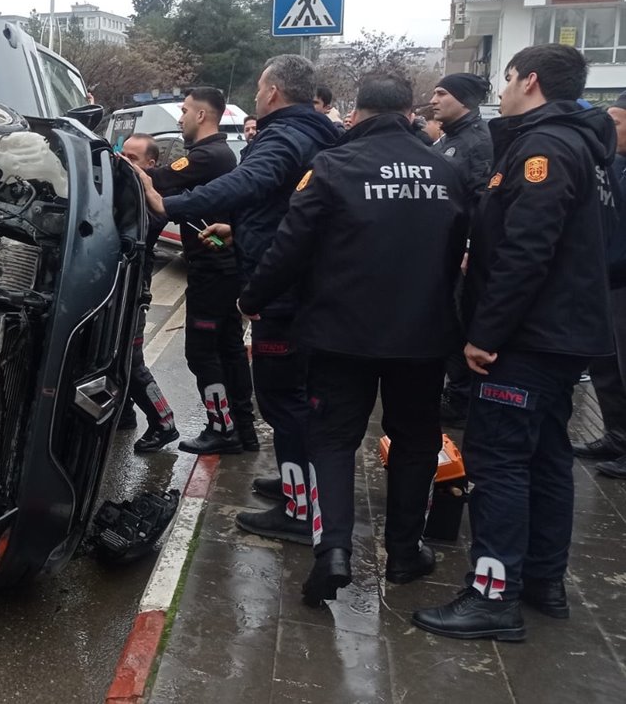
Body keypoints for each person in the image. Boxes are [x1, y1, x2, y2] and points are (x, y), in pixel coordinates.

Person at [238, 74, 467, 605]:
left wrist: (252, 299)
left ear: (357, 111)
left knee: (334, 441)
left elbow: (289, 247)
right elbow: (458, 254)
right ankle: (404, 553)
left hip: (341, 335)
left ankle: (333, 552)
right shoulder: (446, 170)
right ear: (410, 112)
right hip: (423, 336)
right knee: (415, 443)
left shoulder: (333, 168)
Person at [414, 45, 615, 641]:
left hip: (527, 339)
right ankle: (541, 583)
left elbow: (527, 252)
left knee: (498, 462)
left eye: (506, 79)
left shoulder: (544, 147)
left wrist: (485, 334)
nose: (500, 92)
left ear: (529, 81)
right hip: (564, 333)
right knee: (549, 456)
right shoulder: (588, 146)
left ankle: (491, 595)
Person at [135, 56, 338, 544]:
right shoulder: (315, 134)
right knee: (286, 397)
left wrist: (170, 204)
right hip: (298, 284)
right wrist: (239, 226)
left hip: (282, 290)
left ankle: (298, 509)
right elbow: (282, 204)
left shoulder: (285, 136)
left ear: (271, 92)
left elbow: (253, 182)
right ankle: (297, 486)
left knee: (284, 400)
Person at [141, 89, 257, 455]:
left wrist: (124, 167)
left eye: (185, 110)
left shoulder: (209, 155)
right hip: (220, 269)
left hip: (212, 270)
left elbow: (159, 180)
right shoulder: (216, 155)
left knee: (202, 353)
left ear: (203, 115)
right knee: (229, 349)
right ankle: (242, 430)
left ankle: (222, 428)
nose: (181, 118)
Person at [428, 73, 495, 426]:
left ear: (464, 100)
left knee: (459, 322)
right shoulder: (448, 139)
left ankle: (463, 398)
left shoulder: (477, 141)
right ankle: (456, 391)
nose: (433, 99)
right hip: (442, 249)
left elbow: (482, 200)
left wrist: (471, 245)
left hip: (462, 253)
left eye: (442, 93)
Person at [117, 134, 182, 452]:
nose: (124, 162)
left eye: (133, 159)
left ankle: (164, 422)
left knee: (131, 359)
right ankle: (123, 413)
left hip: (134, 291)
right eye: (122, 155)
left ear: (150, 166)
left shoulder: (152, 198)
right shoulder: (123, 189)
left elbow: (151, 222)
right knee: (111, 354)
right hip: (115, 286)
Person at [575, 91, 626, 479]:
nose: (612, 129)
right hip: (606, 280)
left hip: (621, 278)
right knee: (607, 364)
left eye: (619, 121)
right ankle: (616, 434)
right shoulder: (613, 166)